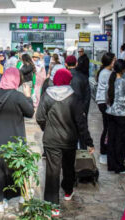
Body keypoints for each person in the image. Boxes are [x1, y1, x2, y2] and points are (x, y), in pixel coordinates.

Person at [36, 68, 94, 217]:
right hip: (69, 140)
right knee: (68, 167)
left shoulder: (46, 96)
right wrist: (88, 141)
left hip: (51, 140)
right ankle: (68, 191)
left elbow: (40, 117)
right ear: (68, 80)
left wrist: (47, 128)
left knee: (52, 172)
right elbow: (81, 122)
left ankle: (53, 205)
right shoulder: (74, 97)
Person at [0, 68, 34, 212]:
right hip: (13, 138)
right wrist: (28, 96)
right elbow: (30, 112)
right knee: (16, 168)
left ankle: (0, 202)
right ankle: (19, 196)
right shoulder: (18, 96)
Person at [106, 59, 125, 174]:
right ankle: (119, 166)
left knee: (112, 140)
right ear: (123, 69)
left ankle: (112, 165)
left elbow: (107, 96)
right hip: (122, 115)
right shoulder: (124, 82)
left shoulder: (111, 80)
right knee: (121, 141)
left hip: (111, 113)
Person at [95, 53, 116, 165]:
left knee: (107, 126)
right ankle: (104, 150)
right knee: (107, 127)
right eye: (114, 60)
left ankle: (105, 149)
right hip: (104, 102)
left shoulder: (105, 72)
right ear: (110, 61)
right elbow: (109, 89)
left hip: (102, 102)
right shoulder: (106, 73)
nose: (115, 62)